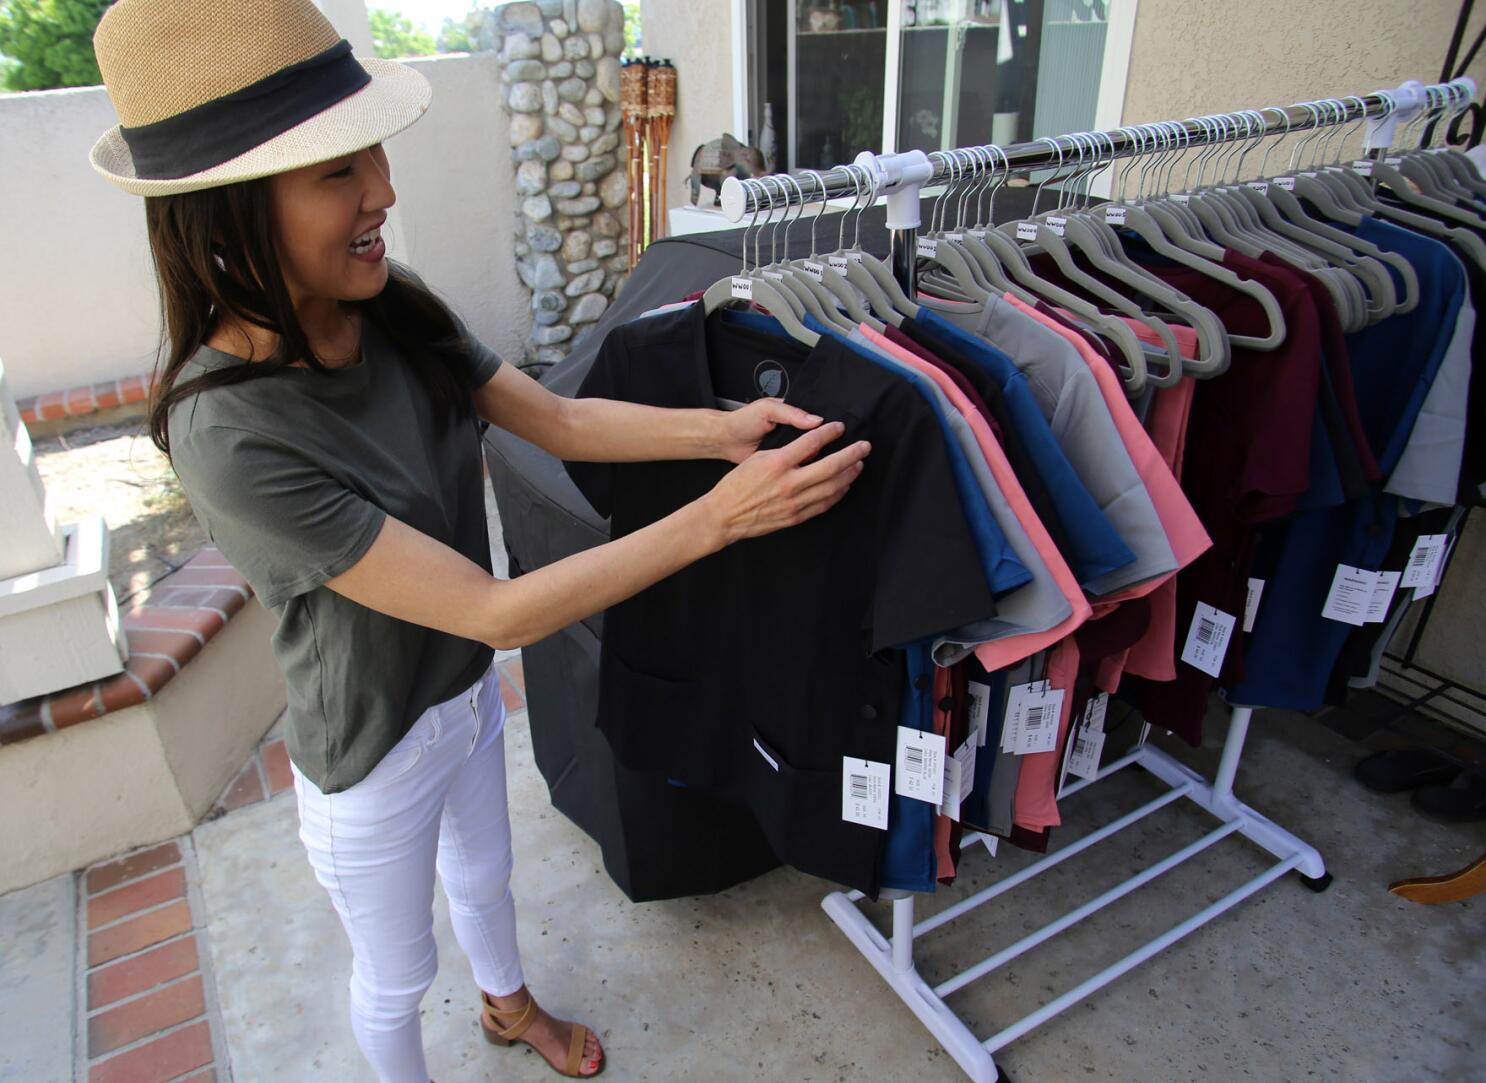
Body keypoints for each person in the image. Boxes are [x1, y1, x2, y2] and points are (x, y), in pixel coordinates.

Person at [87, 2, 870, 1080]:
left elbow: (556, 418)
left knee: (490, 886)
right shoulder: (227, 429)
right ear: (225, 213)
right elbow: (494, 609)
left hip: (457, 702)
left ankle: (511, 1011)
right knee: (397, 978)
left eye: (369, 154)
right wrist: (722, 518)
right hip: (370, 755)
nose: (382, 191)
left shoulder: (389, 306)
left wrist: (722, 433)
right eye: (334, 172)